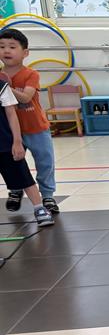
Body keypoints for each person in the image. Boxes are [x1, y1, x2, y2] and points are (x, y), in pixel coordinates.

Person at [0, 28, 59, 214]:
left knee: (45, 162)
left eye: (12, 47)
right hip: (10, 130)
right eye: (1, 47)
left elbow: (26, 97)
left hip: (35, 128)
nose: (6, 50)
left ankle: (47, 195)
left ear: (25, 53)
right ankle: (15, 190)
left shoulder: (31, 74)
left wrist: (5, 87)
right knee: (13, 162)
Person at [0, 80, 53, 227]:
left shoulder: (2, 86)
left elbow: (11, 114)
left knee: (23, 177)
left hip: (4, 143)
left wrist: (17, 141)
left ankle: (39, 208)